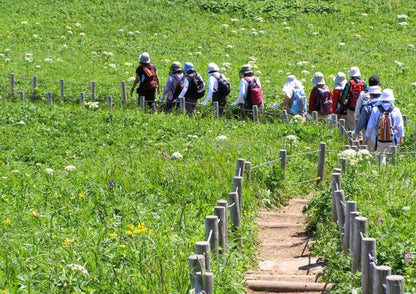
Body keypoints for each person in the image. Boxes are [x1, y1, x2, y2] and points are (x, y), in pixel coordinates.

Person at [364, 89, 404, 156]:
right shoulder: (396, 110)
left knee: (379, 157)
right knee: (391, 158)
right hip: (392, 139)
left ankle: (379, 166)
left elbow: (370, 125)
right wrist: (401, 136)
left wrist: (367, 137)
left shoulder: (375, 109)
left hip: (378, 139)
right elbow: (399, 125)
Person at [351, 85, 381, 151]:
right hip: (384, 134)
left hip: (370, 134)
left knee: (371, 153)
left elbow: (361, 122)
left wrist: (356, 131)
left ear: (371, 95)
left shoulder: (367, 107)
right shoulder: (385, 106)